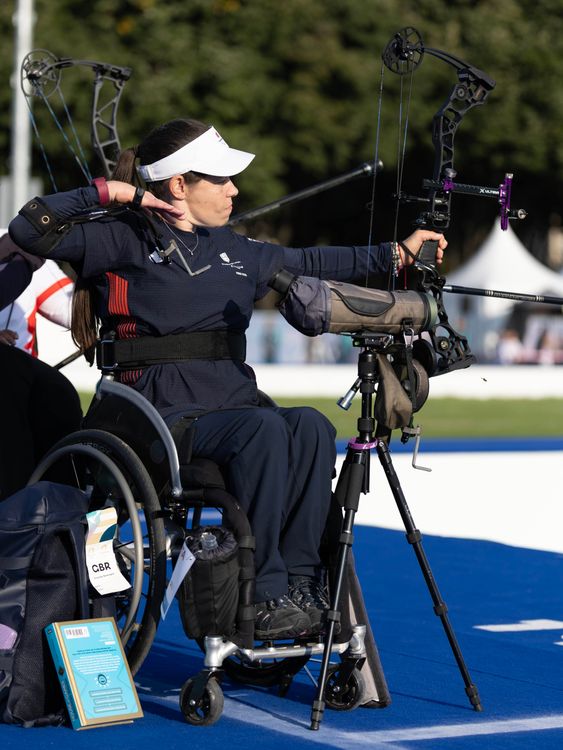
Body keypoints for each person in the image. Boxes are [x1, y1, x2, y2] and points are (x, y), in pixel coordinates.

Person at [9, 117, 446, 639]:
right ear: (179, 185)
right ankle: (260, 592)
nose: (233, 189)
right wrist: (115, 193)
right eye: (220, 180)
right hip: (153, 417)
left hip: (228, 410)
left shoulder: (236, 251)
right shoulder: (118, 240)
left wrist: (394, 253)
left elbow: (312, 259)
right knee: (261, 430)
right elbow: (27, 229)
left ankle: (299, 588)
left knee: (310, 426)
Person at [0, 235, 82, 501]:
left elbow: (74, 313)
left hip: (23, 391)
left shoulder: (20, 239)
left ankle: (62, 510)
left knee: (59, 396)